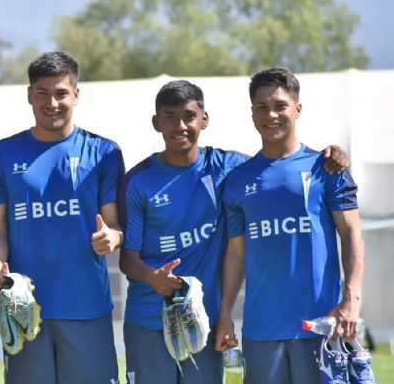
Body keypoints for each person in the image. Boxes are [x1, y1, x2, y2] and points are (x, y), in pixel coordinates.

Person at [119, 80, 350, 384]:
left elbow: (276, 165)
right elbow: (126, 260)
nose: (181, 125)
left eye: (189, 116)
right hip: (147, 318)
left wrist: (330, 155)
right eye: (170, 116)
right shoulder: (138, 179)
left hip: (204, 321)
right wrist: (153, 277)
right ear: (156, 122)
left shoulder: (230, 168)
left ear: (204, 119)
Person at [215, 67, 365, 384]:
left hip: (321, 327)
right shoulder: (238, 180)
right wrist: (225, 311)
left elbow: (352, 235)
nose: (271, 114)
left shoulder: (327, 167)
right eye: (261, 107)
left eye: (280, 105)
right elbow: (236, 253)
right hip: (261, 331)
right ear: (252, 113)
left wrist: (351, 301)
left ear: (297, 109)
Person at [0, 51, 123, 384]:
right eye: (43, 92)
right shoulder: (1, 155)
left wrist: (112, 237)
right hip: (24, 309)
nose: (52, 102)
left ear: (76, 94)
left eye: (61, 93)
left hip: (86, 306)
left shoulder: (104, 152)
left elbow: (115, 225)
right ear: (29, 95)